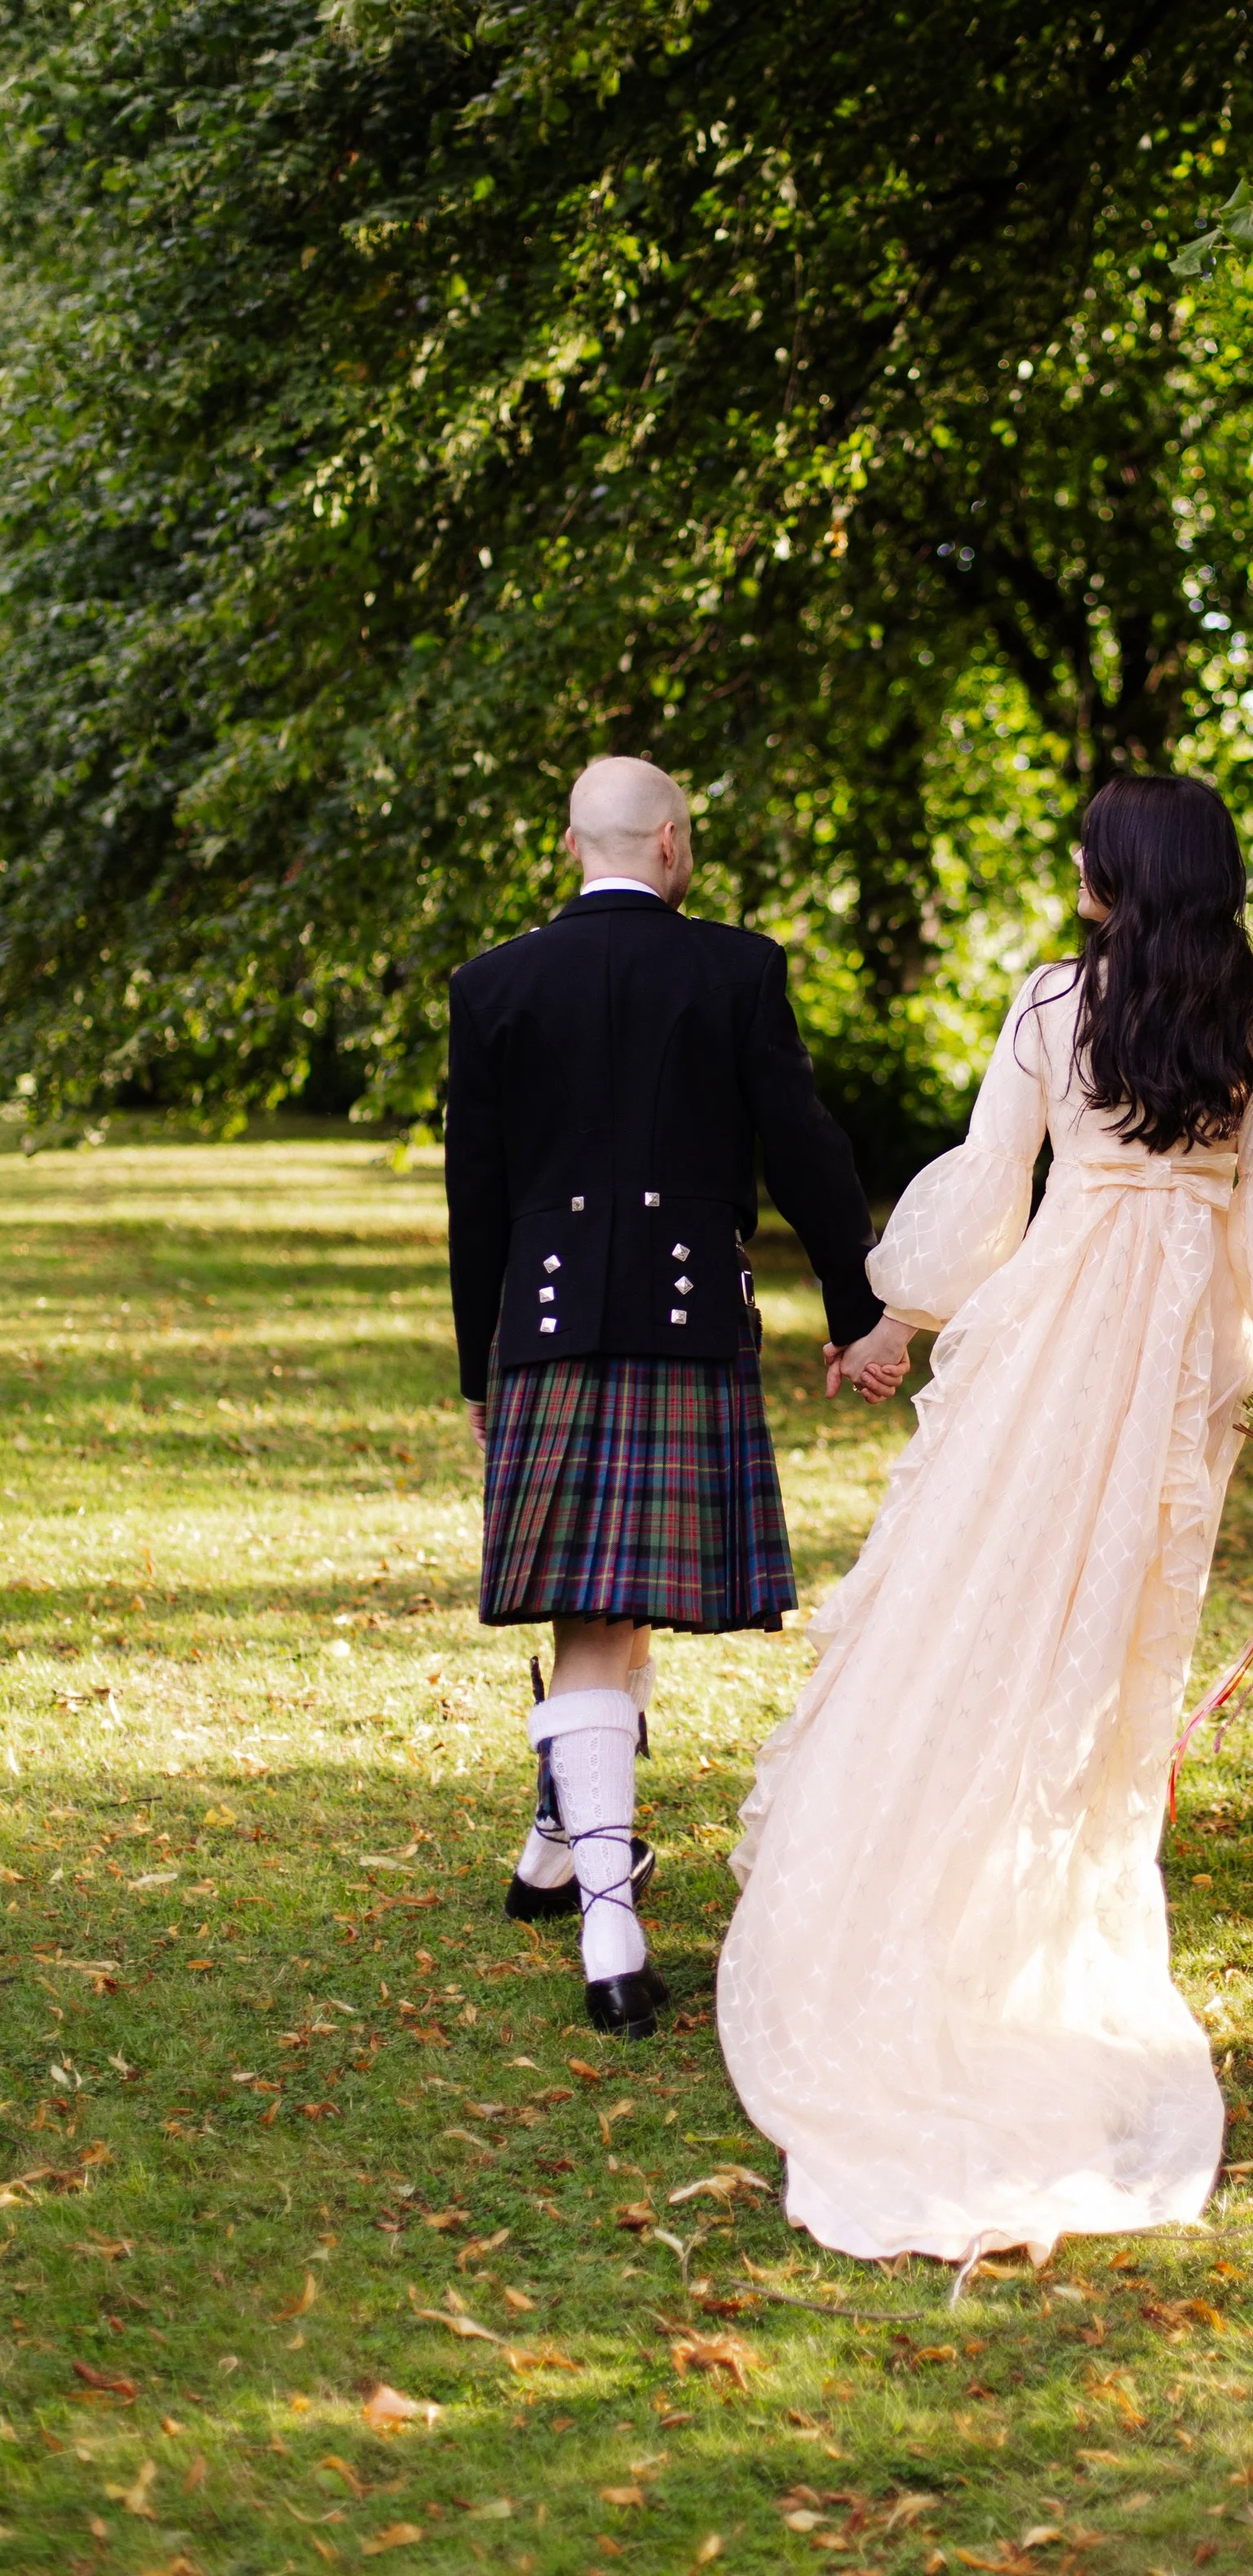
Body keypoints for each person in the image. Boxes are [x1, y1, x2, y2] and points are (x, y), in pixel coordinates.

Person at [717, 772, 1253, 2260]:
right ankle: (1025, 1906)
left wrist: (895, 1323)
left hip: (1066, 1331)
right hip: (1173, 1354)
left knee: (983, 1596)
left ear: (1113, 878)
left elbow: (986, 1184)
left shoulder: (1052, 1004)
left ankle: (972, 1905)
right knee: (1114, 1627)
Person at [445, 756, 885, 2038]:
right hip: (691, 1323)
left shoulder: (494, 983)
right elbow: (807, 1146)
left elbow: (478, 1197)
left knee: (598, 1602)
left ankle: (557, 1839)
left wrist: (485, 1364)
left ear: (572, 844)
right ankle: (609, 1915)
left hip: (547, 1324)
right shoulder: (734, 969)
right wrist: (857, 1316)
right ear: (676, 843)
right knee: (607, 1604)